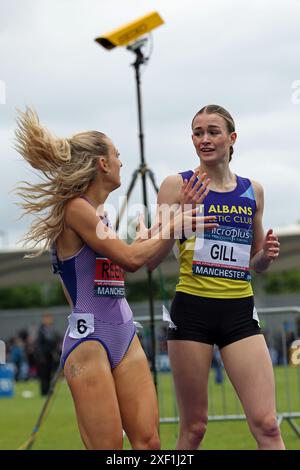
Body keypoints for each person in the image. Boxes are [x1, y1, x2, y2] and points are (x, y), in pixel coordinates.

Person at [15, 107, 216, 450]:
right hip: (90, 339)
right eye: (117, 155)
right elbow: (132, 259)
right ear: (101, 164)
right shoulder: (75, 209)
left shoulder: (102, 214)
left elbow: (143, 258)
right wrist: (172, 226)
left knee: (149, 443)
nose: (122, 162)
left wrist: (174, 218)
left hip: (123, 331)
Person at [149, 104, 285, 450]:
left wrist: (266, 256)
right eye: (198, 133)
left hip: (239, 311)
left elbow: (255, 263)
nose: (204, 139)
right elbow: (150, 255)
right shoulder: (176, 185)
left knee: (268, 425)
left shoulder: (252, 190)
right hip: (192, 311)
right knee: (194, 428)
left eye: (213, 131)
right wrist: (180, 215)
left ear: (232, 138)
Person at [35, 314, 61, 395]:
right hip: (43, 356)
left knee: (50, 374)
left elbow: (55, 341)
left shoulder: (52, 330)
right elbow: (39, 344)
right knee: (44, 374)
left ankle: (49, 390)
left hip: (50, 355)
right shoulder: (41, 330)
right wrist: (41, 356)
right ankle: (43, 391)